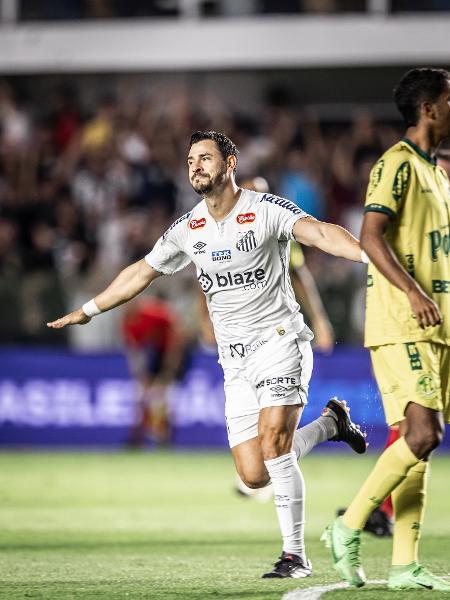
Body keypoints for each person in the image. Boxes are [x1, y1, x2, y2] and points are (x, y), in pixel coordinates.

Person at [47, 130, 367, 579]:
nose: (195, 165)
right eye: (190, 159)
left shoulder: (265, 209)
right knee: (255, 473)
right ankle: (332, 422)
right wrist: (89, 310)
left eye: (205, 158)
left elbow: (318, 233)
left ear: (230, 163)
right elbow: (141, 271)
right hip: (234, 361)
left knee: (274, 442)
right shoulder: (188, 228)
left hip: (279, 341)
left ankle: (294, 554)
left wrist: (371, 254)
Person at [324, 68, 450, 591]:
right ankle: (348, 525)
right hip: (403, 321)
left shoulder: (437, 173)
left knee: (419, 443)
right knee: (423, 434)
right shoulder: (395, 164)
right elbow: (370, 237)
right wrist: (415, 293)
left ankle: (404, 564)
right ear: (429, 109)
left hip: (437, 326)